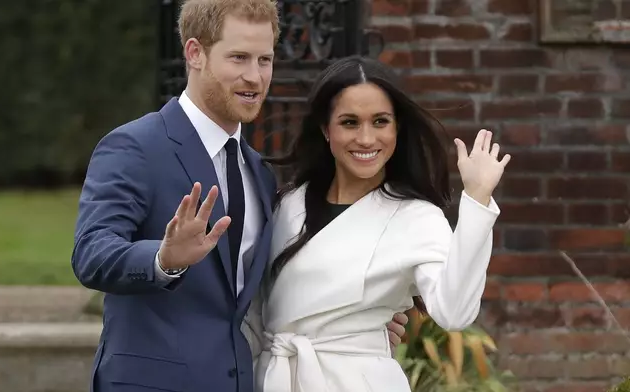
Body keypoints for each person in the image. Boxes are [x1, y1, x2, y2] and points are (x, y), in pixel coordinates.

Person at [71, 1, 407, 391]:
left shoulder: (259, 173)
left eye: (264, 60)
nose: (254, 77)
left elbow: (264, 292)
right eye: (238, 58)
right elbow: (90, 254)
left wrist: (356, 319)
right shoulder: (134, 147)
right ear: (195, 53)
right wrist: (163, 259)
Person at [245, 56, 511, 391]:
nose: (367, 139)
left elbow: (454, 312)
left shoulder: (416, 217)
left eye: (381, 121)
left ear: (397, 127)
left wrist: (477, 200)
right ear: (326, 129)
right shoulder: (287, 204)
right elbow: (252, 308)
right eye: (350, 122)